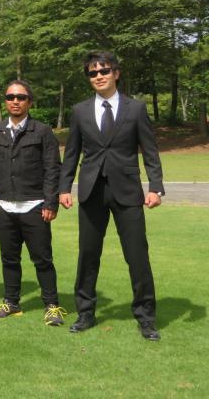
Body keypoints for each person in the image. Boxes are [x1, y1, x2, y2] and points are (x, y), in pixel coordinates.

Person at [59, 51, 164, 341]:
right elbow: (71, 153)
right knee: (88, 255)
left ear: (116, 73)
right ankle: (85, 312)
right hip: (91, 191)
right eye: (92, 73)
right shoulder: (80, 111)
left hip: (127, 191)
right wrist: (64, 187)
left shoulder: (136, 109)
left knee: (137, 255)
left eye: (104, 71)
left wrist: (155, 187)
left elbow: (150, 150)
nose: (98, 76)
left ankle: (146, 317)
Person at [0, 80, 67, 326]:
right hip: (5, 207)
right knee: (9, 258)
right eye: (10, 97)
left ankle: (52, 306)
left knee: (42, 259)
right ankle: (11, 303)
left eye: (21, 97)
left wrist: (51, 203)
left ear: (29, 102)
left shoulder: (42, 131)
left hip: (35, 207)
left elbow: (52, 169)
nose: (15, 101)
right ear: (5, 101)